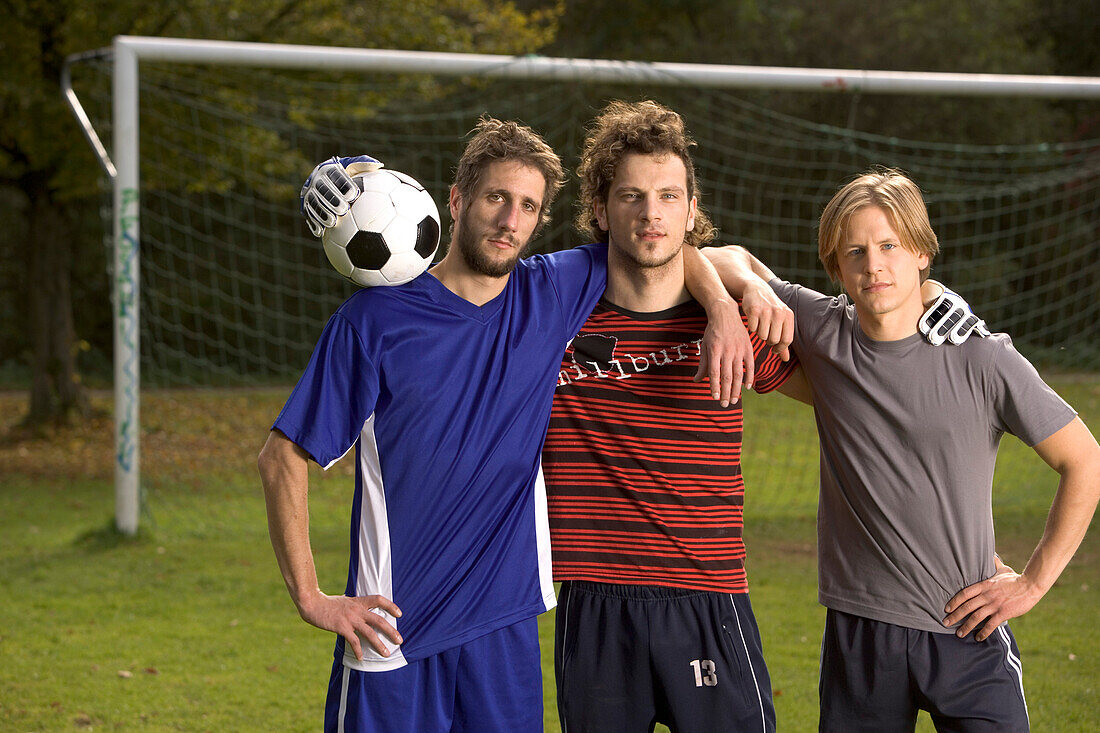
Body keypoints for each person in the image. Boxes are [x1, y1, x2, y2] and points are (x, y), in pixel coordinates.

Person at [258, 117, 750, 733]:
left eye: (527, 206)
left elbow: (671, 248)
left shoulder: (550, 292)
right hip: (392, 633)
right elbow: (281, 456)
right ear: (457, 202)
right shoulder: (373, 321)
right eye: (496, 198)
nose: (509, 220)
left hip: (505, 629)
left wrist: (726, 307)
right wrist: (312, 598)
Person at [705, 168, 1100, 732]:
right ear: (836, 267)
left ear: (921, 252)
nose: (874, 265)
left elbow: (1084, 460)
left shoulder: (983, 358)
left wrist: (1032, 584)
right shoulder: (821, 331)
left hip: (967, 625)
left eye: (890, 245)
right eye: (855, 252)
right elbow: (719, 259)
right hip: (861, 630)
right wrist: (750, 290)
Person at [540, 100, 810, 733]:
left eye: (668, 195)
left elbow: (851, 408)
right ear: (601, 211)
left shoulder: (740, 331)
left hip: (706, 589)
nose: (651, 212)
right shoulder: (552, 315)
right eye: (631, 195)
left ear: (692, 211)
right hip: (594, 595)